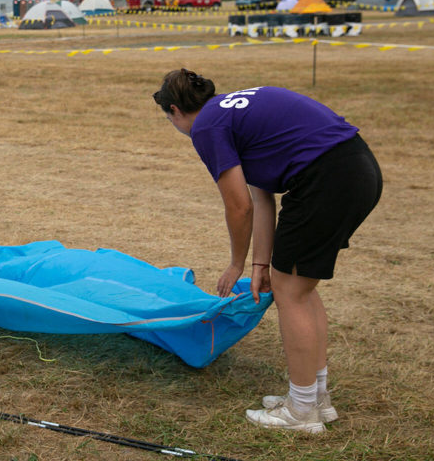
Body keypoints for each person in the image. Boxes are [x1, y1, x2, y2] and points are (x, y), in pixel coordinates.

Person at [152, 69, 381, 434]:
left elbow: (238, 206)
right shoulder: (229, 111)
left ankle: (301, 410)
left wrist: (234, 264)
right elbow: (261, 199)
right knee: (300, 288)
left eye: (168, 118)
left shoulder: (207, 126)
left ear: (175, 110)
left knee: (291, 292)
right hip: (357, 168)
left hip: (327, 178)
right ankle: (315, 399)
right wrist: (259, 264)